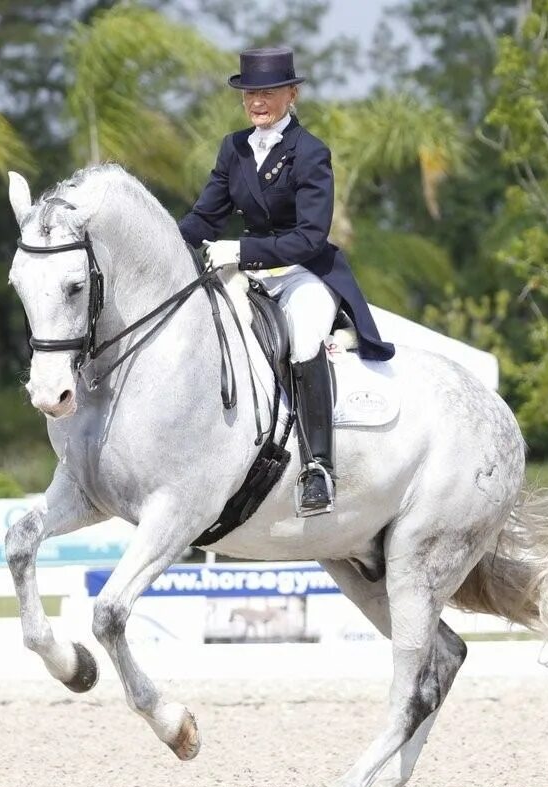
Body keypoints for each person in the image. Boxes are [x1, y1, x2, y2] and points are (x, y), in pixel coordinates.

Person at [178, 46, 395, 518]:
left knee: (301, 340)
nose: (258, 100)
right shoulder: (233, 148)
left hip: (303, 273)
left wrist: (241, 251)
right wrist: (163, 246)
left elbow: (309, 237)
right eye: (251, 92)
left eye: (269, 91)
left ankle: (318, 466)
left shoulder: (311, 153)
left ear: (291, 94)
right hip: (249, 277)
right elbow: (204, 218)